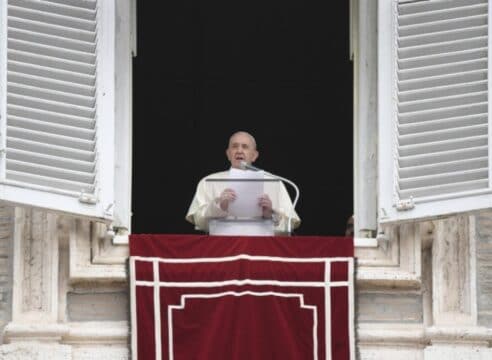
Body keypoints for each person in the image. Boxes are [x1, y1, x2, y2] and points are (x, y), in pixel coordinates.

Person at [186, 131, 301, 234]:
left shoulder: (274, 183)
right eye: (235, 146)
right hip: (222, 246)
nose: (239, 150)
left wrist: (270, 214)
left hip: (262, 246)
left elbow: (290, 225)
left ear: (254, 155)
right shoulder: (208, 182)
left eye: (245, 147)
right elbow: (198, 221)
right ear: (228, 154)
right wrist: (219, 206)